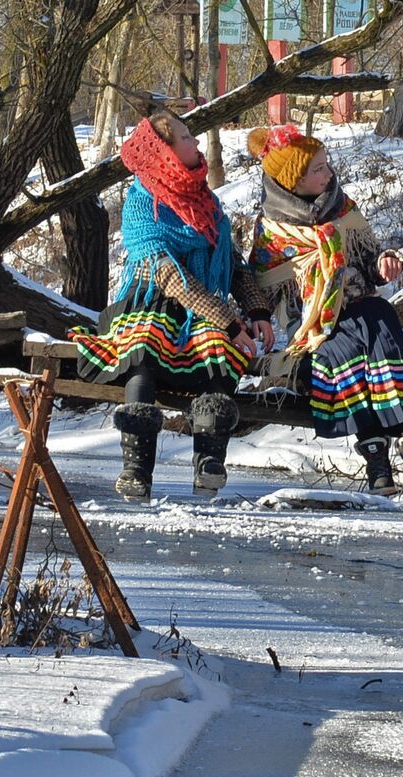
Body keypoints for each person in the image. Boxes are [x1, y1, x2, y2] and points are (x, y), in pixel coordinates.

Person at [70, 110, 269, 501]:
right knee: (143, 345)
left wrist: (256, 310)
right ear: (165, 152)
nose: (195, 143)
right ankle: (137, 467)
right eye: (185, 137)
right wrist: (230, 319)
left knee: (219, 348)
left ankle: (209, 461)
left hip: (202, 310)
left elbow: (230, 263)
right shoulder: (143, 202)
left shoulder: (206, 202)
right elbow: (169, 277)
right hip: (151, 299)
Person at [246, 124, 403, 496]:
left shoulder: (343, 207)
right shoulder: (270, 230)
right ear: (293, 180)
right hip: (314, 322)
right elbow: (264, 288)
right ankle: (376, 456)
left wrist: (384, 261)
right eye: (318, 169)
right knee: (341, 354)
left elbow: (368, 259)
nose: (329, 173)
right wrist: (260, 318)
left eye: (327, 165)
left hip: (360, 304)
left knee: (385, 335)